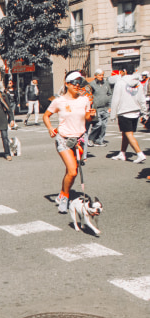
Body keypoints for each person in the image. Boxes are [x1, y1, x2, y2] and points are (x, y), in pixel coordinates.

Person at [43, 72, 96, 213]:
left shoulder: (84, 99)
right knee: (72, 171)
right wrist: (50, 129)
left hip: (79, 139)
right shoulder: (59, 101)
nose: (77, 85)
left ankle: (61, 194)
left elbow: (86, 118)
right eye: (74, 82)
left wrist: (90, 116)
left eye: (80, 82)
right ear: (67, 84)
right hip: (64, 139)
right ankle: (65, 198)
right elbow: (46, 116)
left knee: (71, 171)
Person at [109, 71, 149, 163]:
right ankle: (122, 153)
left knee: (128, 134)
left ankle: (139, 153)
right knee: (126, 133)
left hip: (124, 111)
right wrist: (144, 111)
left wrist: (113, 114)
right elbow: (142, 98)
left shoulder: (120, 83)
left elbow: (116, 99)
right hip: (135, 111)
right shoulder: (138, 82)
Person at [86, 69, 112, 148]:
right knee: (98, 124)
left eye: (102, 75)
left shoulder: (106, 83)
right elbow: (88, 95)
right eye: (100, 75)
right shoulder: (91, 84)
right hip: (96, 108)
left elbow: (109, 94)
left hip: (105, 107)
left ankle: (99, 140)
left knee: (104, 125)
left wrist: (110, 106)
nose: (101, 77)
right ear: (95, 76)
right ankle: (90, 138)